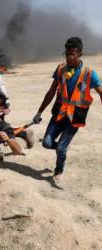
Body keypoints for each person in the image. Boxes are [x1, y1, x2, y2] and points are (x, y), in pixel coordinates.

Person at [32, 37, 102, 180]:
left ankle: (59, 170)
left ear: (80, 54)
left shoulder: (89, 74)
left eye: (72, 54)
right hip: (59, 114)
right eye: (66, 54)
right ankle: (62, 149)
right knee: (46, 143)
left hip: (75, 118)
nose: (69, 57)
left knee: (60, 149)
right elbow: (51, 92)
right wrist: (39, 112)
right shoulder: (60, 69)